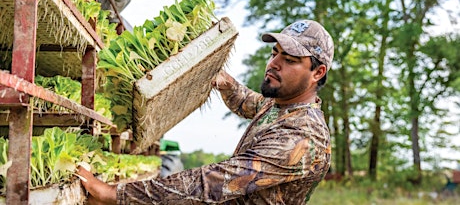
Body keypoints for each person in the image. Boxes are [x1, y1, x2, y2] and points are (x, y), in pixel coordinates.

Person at [77, 19, 334, 204]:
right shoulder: (281, 106)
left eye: (289, 60)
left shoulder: (302, 135)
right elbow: (250, 102)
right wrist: (225, 82)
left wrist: (115, 194)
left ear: (317, 73)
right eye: (274, 53)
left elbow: (215, 183)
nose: (274, 64)